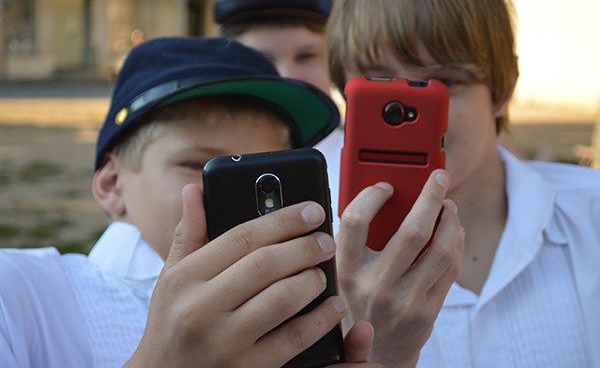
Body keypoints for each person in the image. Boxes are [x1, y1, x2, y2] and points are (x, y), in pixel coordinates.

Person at [0, 36, 464, 367]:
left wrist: (384, 355)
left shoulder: (335, 311)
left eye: (271, 172)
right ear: (110, 185)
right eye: (201, 168)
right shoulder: (24, 295)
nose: (241, 195)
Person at [326, 0, 600, 367]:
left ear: (504, 89)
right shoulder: (303, 261)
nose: (410, 116)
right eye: (380, 82)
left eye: (444, 82)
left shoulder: (590, 218)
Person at [213, 0, 346, 231]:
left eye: (306, 56)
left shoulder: (360, 165)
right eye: (263, 59)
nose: (288, 76)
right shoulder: (206, 162)